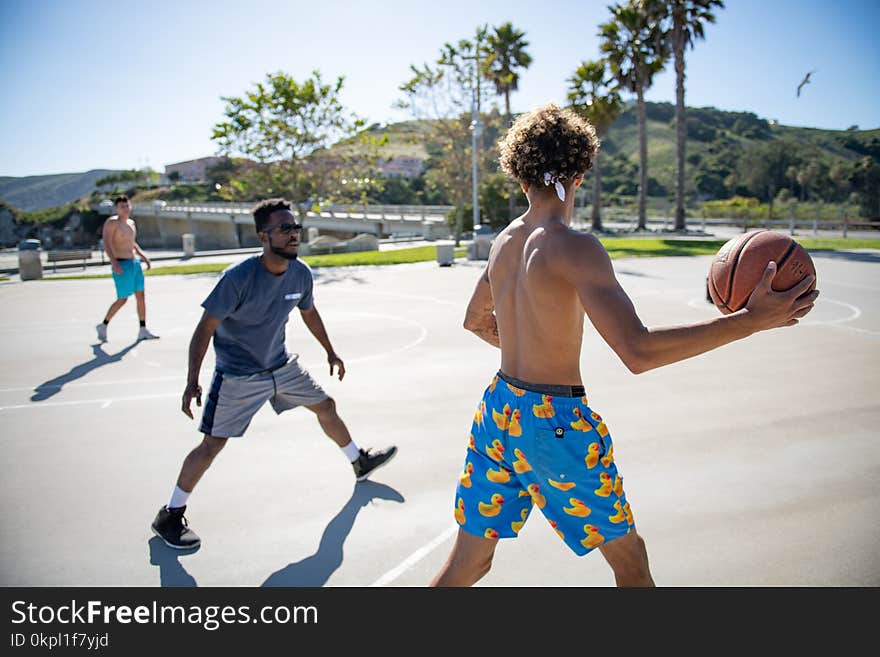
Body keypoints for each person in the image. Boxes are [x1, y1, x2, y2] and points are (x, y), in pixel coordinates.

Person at [430, 103, 818, 587]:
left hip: (499, 409)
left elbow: (474, 320)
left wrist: (529, 348)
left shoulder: (505, 240)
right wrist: (750, 321)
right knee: (629, 560)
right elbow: (638, 352)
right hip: (554, 426)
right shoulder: (574, 247)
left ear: (518, 171)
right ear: (580, 170)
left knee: (470, 562)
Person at [151, 198, 397, 549]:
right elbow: (205, 327)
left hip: (281, 365)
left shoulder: (301, 273)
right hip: (238, 375)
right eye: (284, 228)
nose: (293, 234)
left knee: (326, 406)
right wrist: (193, 380)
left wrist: (330, 350)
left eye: (294, 227)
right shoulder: (238, 278)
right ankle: (170, 514)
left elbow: (309, 313)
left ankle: (358, 461)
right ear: (263, 237)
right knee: (212, 445)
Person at [95, 195, 159, 342]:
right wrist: (114, 263)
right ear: (117, 209)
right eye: (122, 207)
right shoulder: (112, 223)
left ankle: (143, 329)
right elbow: (107, 243)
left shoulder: (131, 223)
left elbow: (132, 243)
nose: (126, 209)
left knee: (141, 296)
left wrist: (144, 257)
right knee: (123, 299)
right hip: (121, 264)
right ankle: (103, 325)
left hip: (134, 263)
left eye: (127, 206)